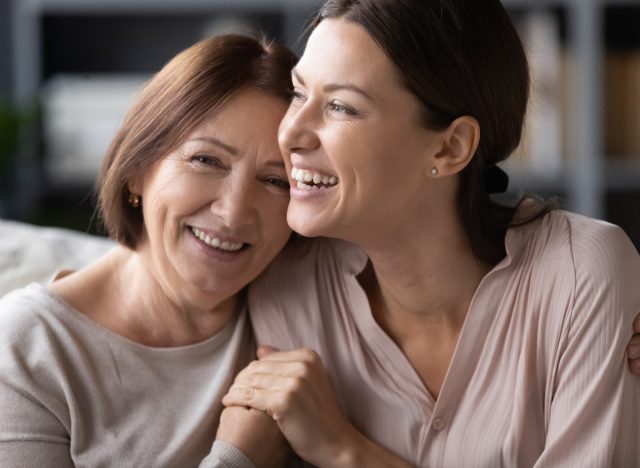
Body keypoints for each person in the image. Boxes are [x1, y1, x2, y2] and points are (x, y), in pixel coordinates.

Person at [222, 0, 640, 466]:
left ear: (450, 146)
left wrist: (347, 451)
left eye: (340, 106)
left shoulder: (580, 274)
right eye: (299, 93)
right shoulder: (290, 287)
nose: (291, 133)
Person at [0, 34, 297, 467]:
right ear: (137, 170)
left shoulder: (307, 306)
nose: (233, 213)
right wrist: (240, 458)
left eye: (276, 182)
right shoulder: (29, 349)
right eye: (206, 161)